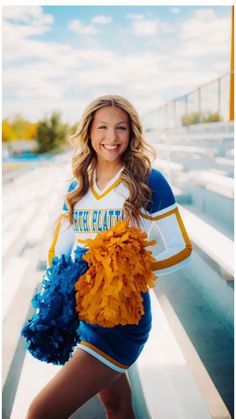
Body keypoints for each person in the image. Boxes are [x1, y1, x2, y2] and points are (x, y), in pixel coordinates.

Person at [26, 94, 192, 419]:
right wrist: (62, 298)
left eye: (121, 128)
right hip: (87, 314)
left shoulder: (148, 181)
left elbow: (182, 249)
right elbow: (57, 252)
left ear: (132, 133)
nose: (111, 137)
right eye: (102, 127)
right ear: (89, 132)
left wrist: (133, 271)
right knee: (116, 406)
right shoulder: (79, 186)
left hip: (123, 319)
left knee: (40, 412)